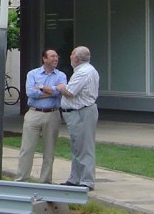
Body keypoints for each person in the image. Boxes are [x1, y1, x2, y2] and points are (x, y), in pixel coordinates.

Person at [15, 49, 67, 183]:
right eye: (52, 56)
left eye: (56, 56)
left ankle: (45, 182)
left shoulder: (61, 75)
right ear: (44, 59)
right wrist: (52, 90)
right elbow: (30, 92)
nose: (55, 59)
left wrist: (42, 87)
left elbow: (60, 91)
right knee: (27, 149)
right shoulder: (32, 74)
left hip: (52, 114)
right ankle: (21, 180)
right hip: (33, 113)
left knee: (49, 152)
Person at [56, 45, 100, 190]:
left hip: (82, 112)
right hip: (77, 112)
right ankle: (75, 178)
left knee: (84, 147)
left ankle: (86, 181)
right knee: (77, 147)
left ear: (76, 58)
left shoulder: (83, 72)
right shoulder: (86, 70)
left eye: (71, 54)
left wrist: (60, 87)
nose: (70, 57)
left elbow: (70, 92)